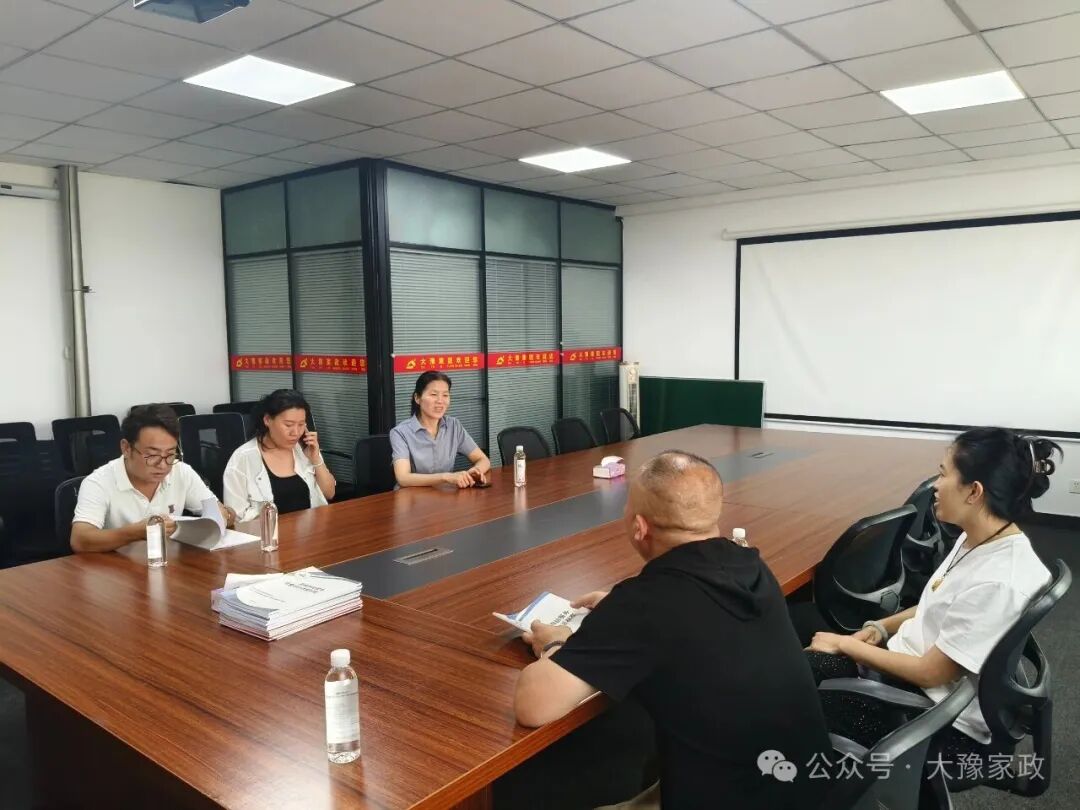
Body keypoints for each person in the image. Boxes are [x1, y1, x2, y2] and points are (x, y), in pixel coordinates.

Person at [515, 451, 831, 809]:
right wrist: (615, 615)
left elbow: (533, 706)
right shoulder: (751, 566)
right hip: (805, 788)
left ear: (639, 527)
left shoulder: (646, 603)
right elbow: (688, 619)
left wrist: (555, 644)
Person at [806, 427, 1059, 769]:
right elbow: (937, 601)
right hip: (915, 682)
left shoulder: (999, 581)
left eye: (943, 474)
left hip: (937, 721)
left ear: (974, 492)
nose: (935, 486)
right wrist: (880, 627)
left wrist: (846, 644)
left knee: (791, 702)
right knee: (796, 671)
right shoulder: (980, 537)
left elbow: (930, 673)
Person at [71, 404, 234, 553]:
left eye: (170, 454)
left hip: (168, 564)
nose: (163, 465)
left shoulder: (181, 472)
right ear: (126, 448)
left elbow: (220, 510)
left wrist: (223, 515)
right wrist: (134, 533)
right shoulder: (98, 482)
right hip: (116, 569)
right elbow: (80, 540)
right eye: (152, 455)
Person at [223, 389, 336, 522]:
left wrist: (316, 459)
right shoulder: (243, 458)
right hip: (269, 533)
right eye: (288, 425)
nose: (296, 432)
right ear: (267, 420)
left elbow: (329, 494)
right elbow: (237, 516)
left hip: (311, 529)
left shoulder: (305, 449)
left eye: (301, 425)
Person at [390, 371, 491, 488]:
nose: (440, 401)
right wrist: (446, 477)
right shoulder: (400, 432)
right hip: (411, 496)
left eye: (445, 395)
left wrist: (474, 471)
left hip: (445, 494)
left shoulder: (454, 425)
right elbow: (403, 478)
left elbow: (483, 459)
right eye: (433, 394)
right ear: (417, 398)